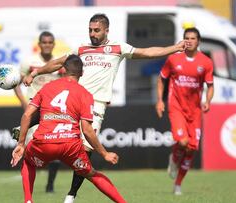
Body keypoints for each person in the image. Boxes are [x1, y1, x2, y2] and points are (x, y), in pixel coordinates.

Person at [23, 13, 186, 203]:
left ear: (106, 30)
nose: (92, 33)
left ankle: (71, 195)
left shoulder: (118, 48)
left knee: (85, 149)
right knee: (56, 136)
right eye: (90, 30)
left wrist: (174, 48)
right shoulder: (81, 49)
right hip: (73, 102)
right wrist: (36, 72)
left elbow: (147, 52)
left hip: (95, 104)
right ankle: (28, 133)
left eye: (97, 30)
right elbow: (58, 63)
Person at [11, 54, 126, 203]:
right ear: (82, 73)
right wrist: (104, 154)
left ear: (63, 70)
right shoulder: (85, 94)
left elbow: (27, 115)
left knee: (28, 161)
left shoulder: (47, 88)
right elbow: (87, 130)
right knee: (91, 174)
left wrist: (20, 143)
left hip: (44, 142)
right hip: (70, 146)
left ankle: (28, 200)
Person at [156, 27, 214, 195]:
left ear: (198, 41)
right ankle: (174, 159)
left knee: (191, 149)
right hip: (176, 107)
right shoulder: (173, 59)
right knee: (182, 142)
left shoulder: (206, 62)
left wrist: (208, 101)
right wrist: (160, 100)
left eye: (193, 38)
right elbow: (161, 79)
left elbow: (210, 86)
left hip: (195, 111)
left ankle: (178, 185)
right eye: (186, 38)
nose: (189, 40)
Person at [13, 31, 62, 193]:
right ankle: (28, 188)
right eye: (44, 42)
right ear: (39, 44)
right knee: (29, 149)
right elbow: (16, 83)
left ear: (53, 44)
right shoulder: (29, 62)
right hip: (34, 111)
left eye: (50, 42)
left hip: (53, 112)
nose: (47, 45)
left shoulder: (58, 63)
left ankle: (50, 185)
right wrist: (23, 103)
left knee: (55, 148)